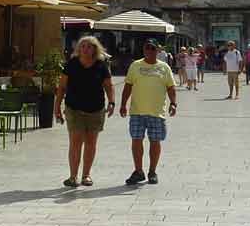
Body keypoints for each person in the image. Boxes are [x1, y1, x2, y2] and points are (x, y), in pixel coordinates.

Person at [54, 36, 115, 187]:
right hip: (74, 108)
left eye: (89, 46)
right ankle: (73, 176)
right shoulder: (72, 64)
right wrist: (56, 107)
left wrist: (112, 102)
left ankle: (86, 175)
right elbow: (62, 87)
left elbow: (109, 85)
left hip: (96, 109)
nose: (86, 49)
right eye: (83, 46)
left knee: (90, 143)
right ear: (79, 49)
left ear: (95, 49)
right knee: (75, 142)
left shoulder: (101, 65)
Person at [120, 40, 177, 185]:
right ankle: (138, 171)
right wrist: (122, 104)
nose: (150, 51)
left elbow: (171, 87)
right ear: (143, 50)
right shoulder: (135, 66)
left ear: (157, 50)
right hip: (137, 112)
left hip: (156, 112)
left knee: (155, 141)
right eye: (147, 48)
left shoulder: (164, 67)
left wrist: (173, 103)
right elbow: (128, 86)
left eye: (153, 48)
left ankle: (152, 171)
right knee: (136, 140)